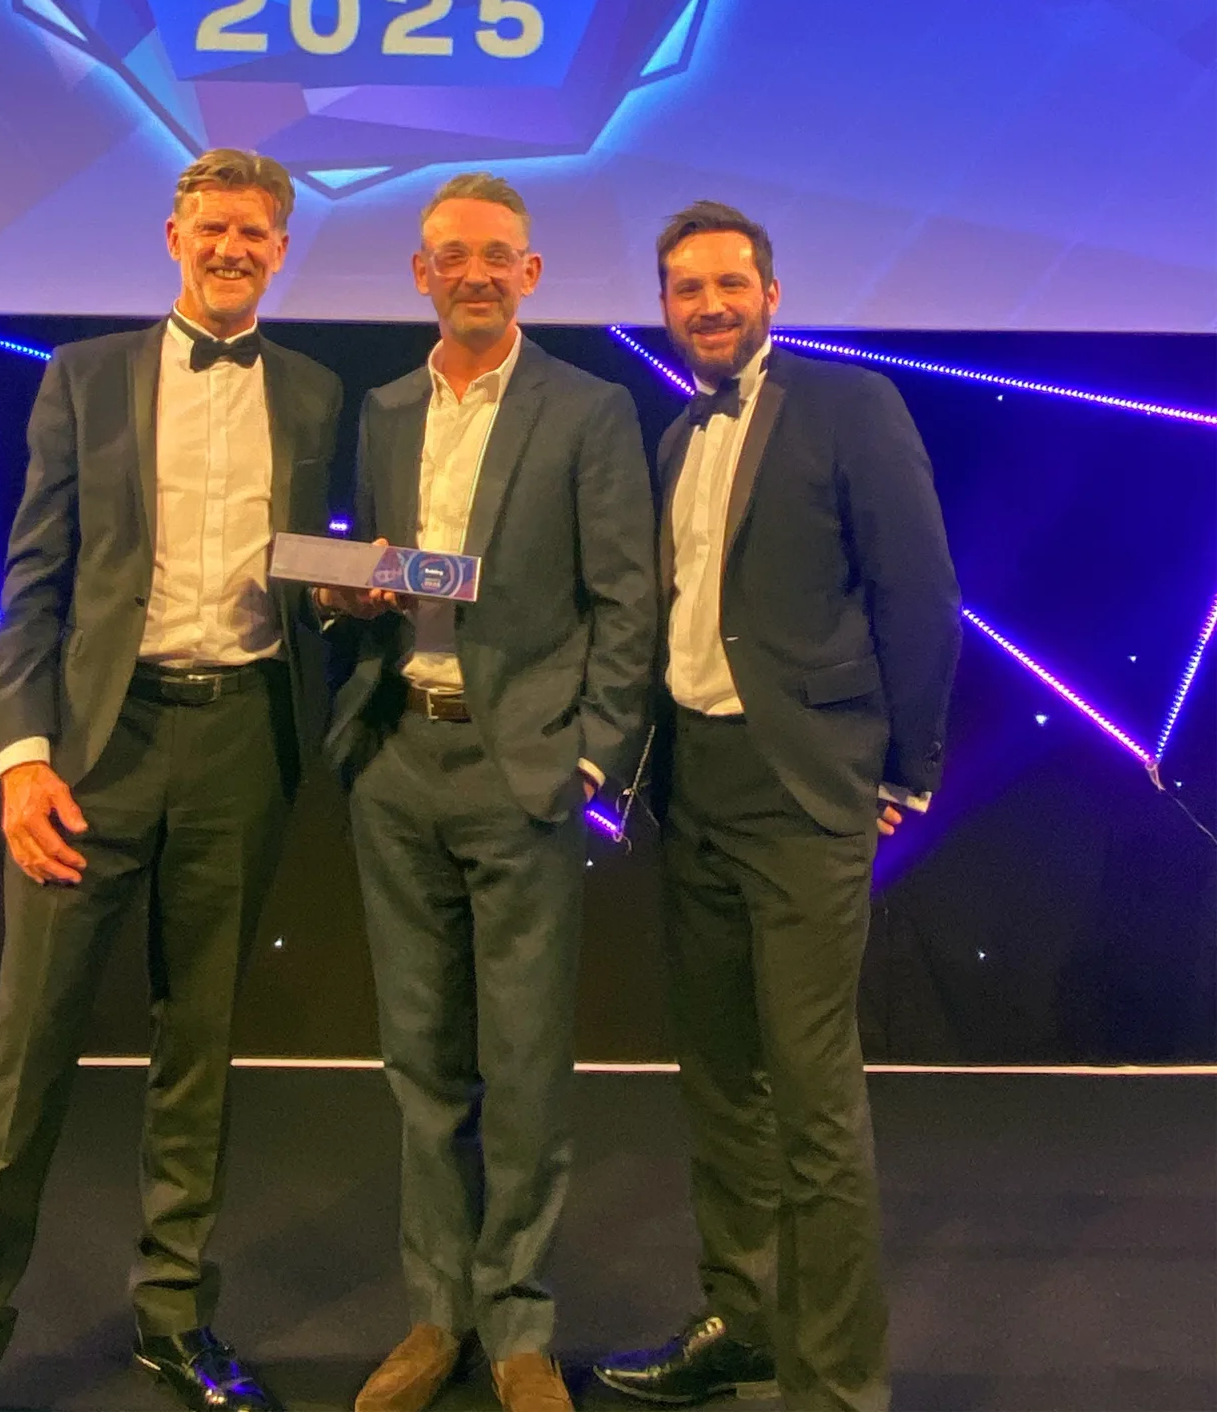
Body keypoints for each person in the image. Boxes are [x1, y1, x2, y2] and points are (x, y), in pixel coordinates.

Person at [0, 149, 343, 1412]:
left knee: (197, 1049)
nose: (231, 247)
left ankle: (173, 1318)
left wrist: (352, 590)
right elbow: (34, 584)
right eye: (212, 226)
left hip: (241, 744)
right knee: (26, 1047)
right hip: (95, 749)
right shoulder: (84, 376)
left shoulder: (314, 391)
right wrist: (23, 756)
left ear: (282, 247)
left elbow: (317, 566)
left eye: (255, 231)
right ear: (172, 235)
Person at [595, 202, 960, 1412]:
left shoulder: (853, 406)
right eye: (685, 288)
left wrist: (904, 769)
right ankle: (741, 1320)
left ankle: (840, 1384)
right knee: (719, 1081)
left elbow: (919, 592)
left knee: (812, 1096)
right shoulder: (669, 436)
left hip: (803, 793)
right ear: (665, 307)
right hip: (690, 789)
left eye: (727, 283)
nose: (708, 304)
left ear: (772, 291)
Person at [319, 173, 657, 1412]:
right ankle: (435, 1313)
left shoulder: (591, 409)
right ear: (421, 273)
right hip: (397, 758)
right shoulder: (387, 406)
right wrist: (349, 593)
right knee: (420, 1064)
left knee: (519, 1065)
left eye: (497, 255)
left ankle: (519, 1324)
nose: (474, 271)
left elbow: (630, 598)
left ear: (532, 273)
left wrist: (591, 752)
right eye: (451, 253)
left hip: (522, 767)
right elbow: (388, 568)